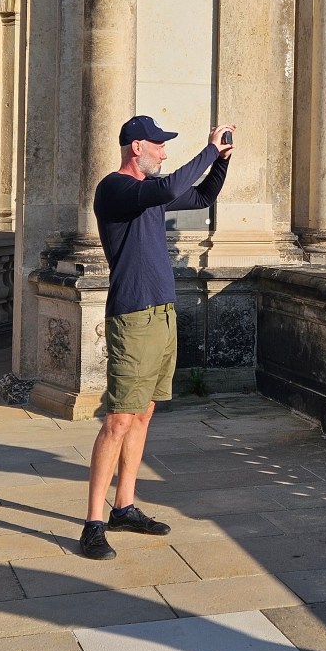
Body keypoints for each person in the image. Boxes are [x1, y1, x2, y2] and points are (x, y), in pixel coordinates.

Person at [79, 115, 234, 560]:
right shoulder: (116, 189)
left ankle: (124, 507)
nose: (164, 152)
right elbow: (168, 189)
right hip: (133, 318)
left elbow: (201, 197)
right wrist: (207, 150)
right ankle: (93, 523)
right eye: (159, 145)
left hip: (163, 315)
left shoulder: (149, 192)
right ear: (136, 148)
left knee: (143, 414)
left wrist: (222, 161)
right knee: (118, 419)